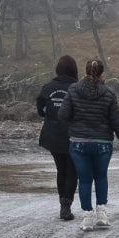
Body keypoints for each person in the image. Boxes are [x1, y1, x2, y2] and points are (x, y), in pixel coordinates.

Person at [59, 58, 119, 231]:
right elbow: (117, 122)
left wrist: (75, 123)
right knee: (101, 177)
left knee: (84, 180)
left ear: (85, 72)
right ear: (102, 74)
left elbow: (62, 115)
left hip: (78, 143)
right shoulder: (109, 93)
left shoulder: (73, 90)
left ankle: (87, 217)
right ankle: (102, 213)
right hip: (102, 143)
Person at [36, 55, 79, 221]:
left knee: (61, 170)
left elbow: (40, 111)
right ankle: (66, 206)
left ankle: (63, 203)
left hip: (52, 136)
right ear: (73, 70)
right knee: (72, 171)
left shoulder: (47, 87)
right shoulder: (76, 88)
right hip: (72, 135)